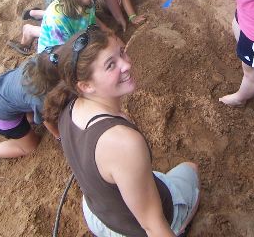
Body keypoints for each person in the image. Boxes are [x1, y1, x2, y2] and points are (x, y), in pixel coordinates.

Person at [44, 27, 201, 236]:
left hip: (97, 215)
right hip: (133, 229)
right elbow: (153, 225)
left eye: (121, 52)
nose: (126, 64)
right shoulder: (123, 143)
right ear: (86, 85)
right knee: (191, 169)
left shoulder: (67, 104)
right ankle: (180, 225)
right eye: (111, 65)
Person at [0, 44, 70, 170]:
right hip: (2, 115)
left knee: (30, 116)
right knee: (30, 146)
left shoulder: (41, 61)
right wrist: (59, 136)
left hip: (1, 91)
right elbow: (47, 119)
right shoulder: (40, 99)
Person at [8, 0, 104, 55]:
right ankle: (29, 31)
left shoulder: (87, 3)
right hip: (55, 49)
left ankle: (31, 28)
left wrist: (105, 31)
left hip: (73, 33)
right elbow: (64, 50)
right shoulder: (57, 19)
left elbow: (91, 20)